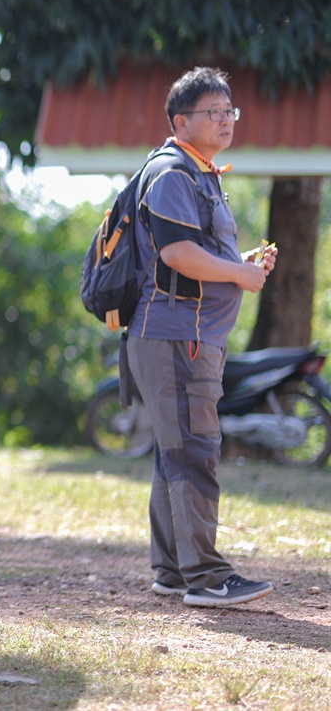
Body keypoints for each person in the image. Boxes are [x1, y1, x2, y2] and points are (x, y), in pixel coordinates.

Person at [127, 67, 277, 607]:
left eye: (229, 111)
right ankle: (207, 577)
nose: (225, 120)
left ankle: (173, 569)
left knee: (176, 452)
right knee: (193, 451)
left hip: (182, 334)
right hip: (175, 336)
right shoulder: (173, 173)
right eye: (212, 112)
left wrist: (240, 265)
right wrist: (238, 274)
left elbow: (193, 258)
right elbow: (177, 255)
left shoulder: (199, 173)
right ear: (180, 121)